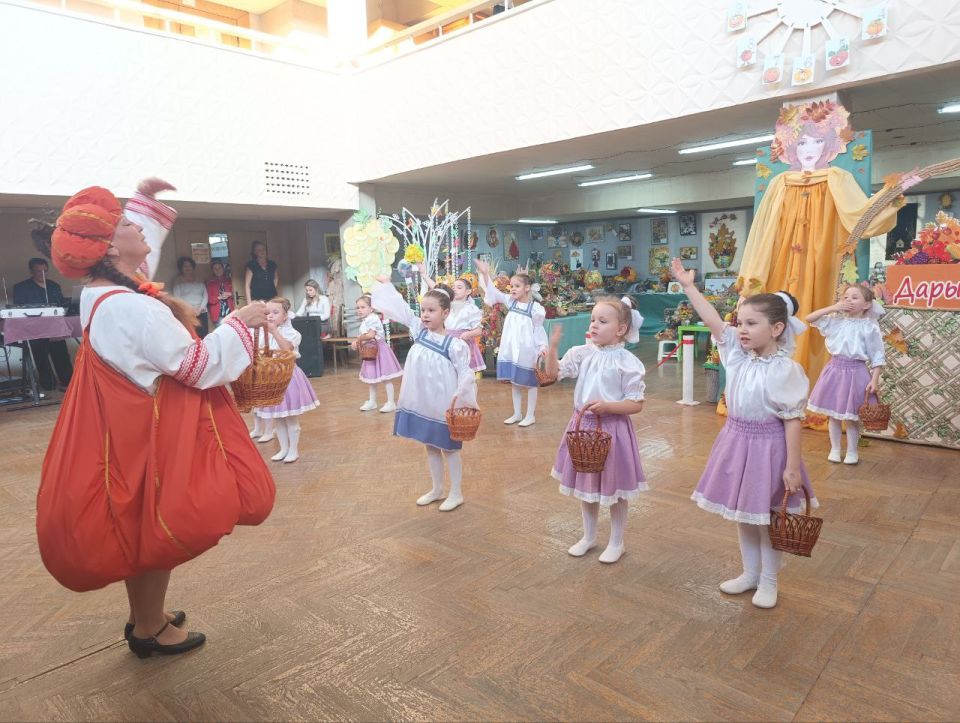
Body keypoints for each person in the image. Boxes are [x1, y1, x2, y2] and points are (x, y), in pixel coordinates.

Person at [38, 178, 275, 658]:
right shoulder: (133, 308)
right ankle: (148, 627)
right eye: (126, 224)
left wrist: (141, 202)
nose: (136, 227)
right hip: (148, 436)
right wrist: (240, 322)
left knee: (140, 530)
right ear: (107, 250)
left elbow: (133, 256)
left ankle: (146, 614)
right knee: (154, 532)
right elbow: (198, 366)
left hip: (126, 434)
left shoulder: (102, 291)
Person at [671, 258, 817, 609]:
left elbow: (793, 419)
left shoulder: (785, 369)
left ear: (778, 328)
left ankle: (769, 580)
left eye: (752, 323)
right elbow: (714, 322)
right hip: (736, 441)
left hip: (770, 448)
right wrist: (689, 287)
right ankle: (750, 573)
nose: (742, 329)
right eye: (741, 322)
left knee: (766, 518)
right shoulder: (737, 354)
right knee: (744, 514)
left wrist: (792, 467)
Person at [544, 296, 646, 564]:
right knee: (586, 486)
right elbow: (553, 374)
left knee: (615, 491)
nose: (595, 325)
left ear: (621, 329)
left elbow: (636, 404)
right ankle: (589, 537)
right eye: (593, 320)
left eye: (603, 321)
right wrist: (553, 348)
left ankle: (616, 541)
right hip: (582, 428)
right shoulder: (583, 352)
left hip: (613, 430)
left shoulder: (628, 362)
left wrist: (610, 406)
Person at [371, 277, 478, 511]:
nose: (425, 315)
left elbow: (465, 375)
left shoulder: (454, 344)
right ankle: (437, 488)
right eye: (423, 310)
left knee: (449, 449)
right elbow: (400, 308)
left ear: (446, 312)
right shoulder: (419, 330)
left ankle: (456, 492)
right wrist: (387, 285)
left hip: (444, 404)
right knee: (430, 445)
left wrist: (463, 402)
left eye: (432, 310)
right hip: (422, 402)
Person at [806, 284, 885, 465]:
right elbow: (810, 318)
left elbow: (877, 354)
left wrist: (874, 379)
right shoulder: (835, 320)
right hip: (834, 370)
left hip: (856, 373)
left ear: (866, 305)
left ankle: (852, 451)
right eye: (846, 297)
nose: (849, 300)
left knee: (851, 417)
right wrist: (834, 307)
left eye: (855, 297)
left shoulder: (869, 327)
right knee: (833, 415)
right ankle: (835, 448)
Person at [475, 259, 547, 426]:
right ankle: (517, 413)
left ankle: (530, 415)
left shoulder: (535, 309)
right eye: (511, 286)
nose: (512, 289)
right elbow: (492, 292)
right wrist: (485, 274)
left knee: (530, 382)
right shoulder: (510, 301)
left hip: (527, 349)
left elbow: (538, 330)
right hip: (511, 347)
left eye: (516, 286)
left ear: (527, 288)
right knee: (514, 381)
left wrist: (542, 347)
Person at [250, 297, 319, 464]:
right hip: (271, 379)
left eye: (276, 312)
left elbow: (287, 348)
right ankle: (283, 449)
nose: (271, 316)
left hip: (287, 378)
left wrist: (274, 331)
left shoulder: (293, 333)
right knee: (278, 418)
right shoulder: (262, 334)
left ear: (286, 316)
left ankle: (293, 450)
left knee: (290, 417)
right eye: (268, 313)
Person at [12, 257, 73, 390]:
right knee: (41, 357)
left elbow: (61, 304)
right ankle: (48, 385)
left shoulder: (54, 286)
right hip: (35, 329)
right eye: (39, 272)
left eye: (45, 271)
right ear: (31, 271)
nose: (43, 274)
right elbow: (19, 308)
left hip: (55, 327)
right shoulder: (21, 287)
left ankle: (68, 383)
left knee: (61, 355)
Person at [421, 268, 485, 373]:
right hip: (447, 341)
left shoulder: (472, 309)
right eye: (453, 287)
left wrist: (468, 334)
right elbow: (437, 290)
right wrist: (423, 274)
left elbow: (479, 331)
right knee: (448, 373)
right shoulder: (448, 304)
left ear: (468, 291)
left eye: (459, 287)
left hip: (463, 344)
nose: (455, 289)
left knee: (464, 375)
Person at [352, 294, 401, 412]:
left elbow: (371, 335)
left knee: (385, 377)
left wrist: (358, 339)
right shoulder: (366, 319)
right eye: (358, 307)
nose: (359, 310)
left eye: (363, 307)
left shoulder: (373, 318)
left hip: (379, 351)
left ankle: (391, 402)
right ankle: (372, 401)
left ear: (371, 308)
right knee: (371, 377)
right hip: (370, 351)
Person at [172, 256, 209, 337]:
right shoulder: (178, 281)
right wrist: (191, 309)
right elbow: (177, 299)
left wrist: (200, 308)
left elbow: (205, 295)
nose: (188, 268)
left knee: (204, 336)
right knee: (191, 337)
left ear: (193, 267)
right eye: (185, 266)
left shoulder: (199, 279)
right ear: (181, 268)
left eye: (190, 266)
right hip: (187, 313)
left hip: (201, 312)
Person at [206, 260, 235, 328]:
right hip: (218, 315)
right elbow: (209, 300)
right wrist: (220, 297)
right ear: (212, 270)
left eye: (219, 268)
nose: (218, 270)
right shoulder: (210, 283)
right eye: (215, 269)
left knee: (232, 332)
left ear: (223, 268)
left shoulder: (230, 280)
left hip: (231, 312)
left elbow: (237, 294)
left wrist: (230, 294)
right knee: (221, 335)